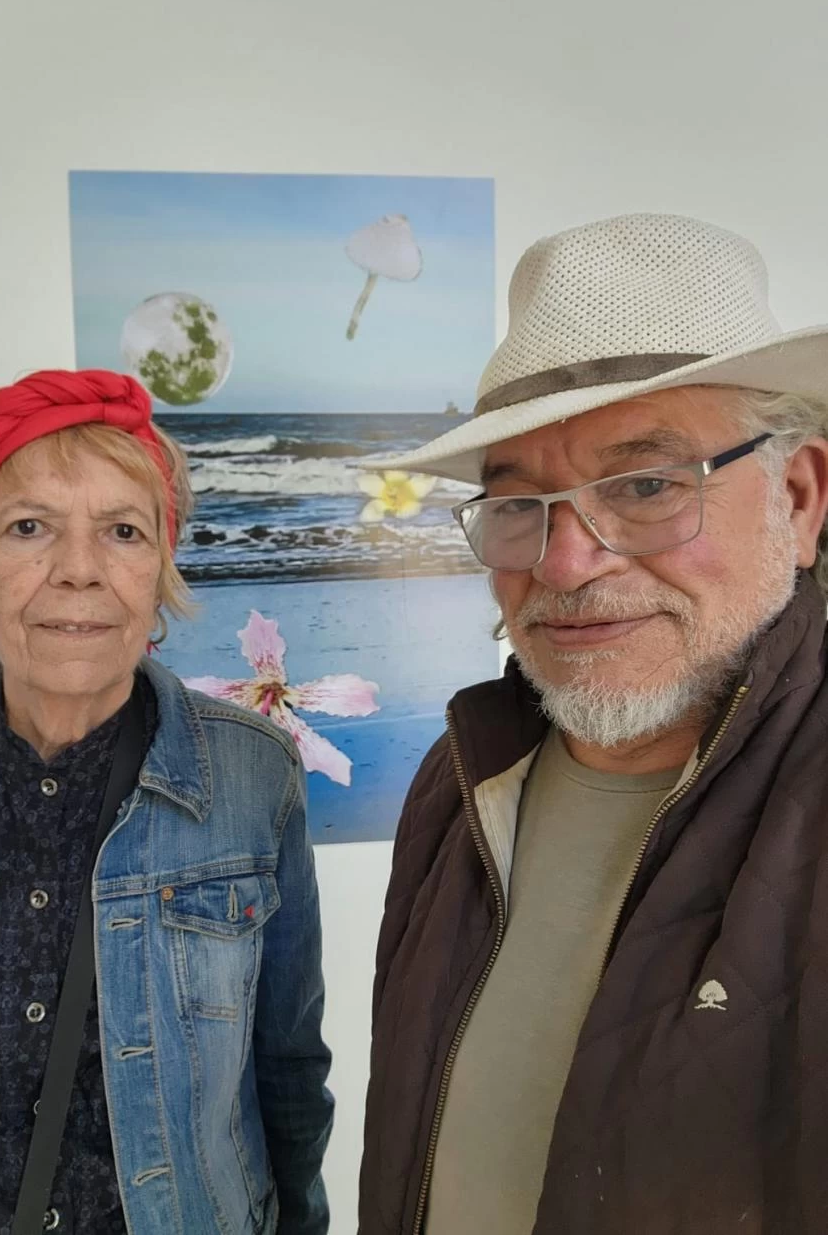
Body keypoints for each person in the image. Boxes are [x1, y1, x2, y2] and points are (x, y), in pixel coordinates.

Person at [359, 213, 828, 1235]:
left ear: (800, 496)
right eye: (519, 505)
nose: (565, 565)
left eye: (647, 486)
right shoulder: (460, 782)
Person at [0, 369, 333, 1235]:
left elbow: (288, 1073)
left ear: (159, 572)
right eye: (29, 527)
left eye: (121, 530)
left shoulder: (254, 773)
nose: (78, 571)